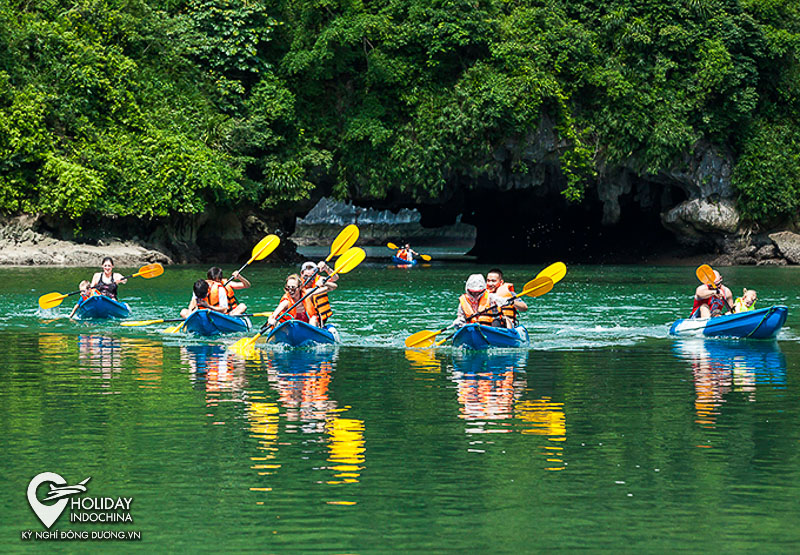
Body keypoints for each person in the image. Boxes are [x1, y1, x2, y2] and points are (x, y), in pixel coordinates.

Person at [299, 260, 338, 327]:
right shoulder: (297, 282)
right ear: (301, 274)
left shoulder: (320, 280)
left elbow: (335, 279)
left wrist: (326, 268)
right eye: (305, 277)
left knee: (313, 320)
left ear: (315, 275)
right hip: (303, 314)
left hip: (318, 315)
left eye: (311, 277)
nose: (308, 280)